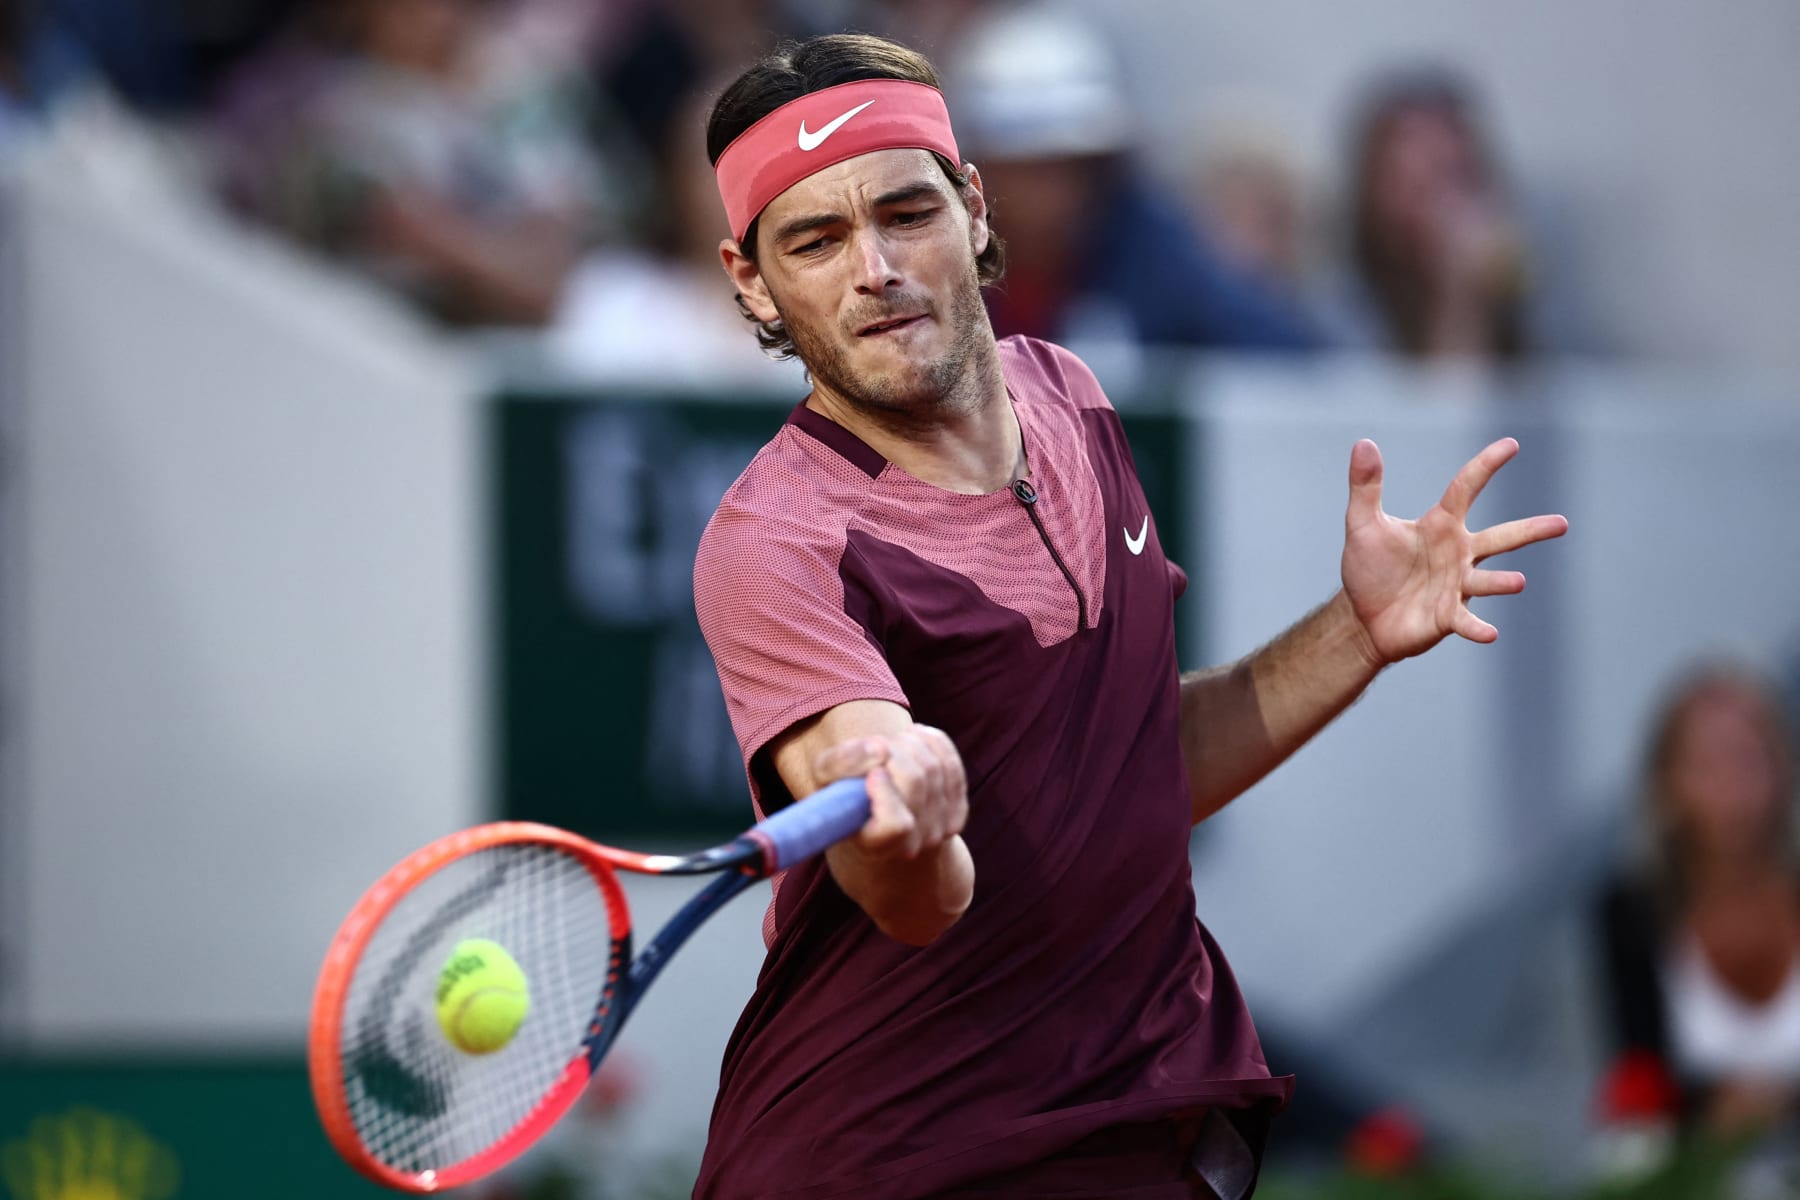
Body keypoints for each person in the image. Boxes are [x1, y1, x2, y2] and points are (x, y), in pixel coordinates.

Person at [690, 33, 1566, 1198]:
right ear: (752, 280)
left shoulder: (1073, 398)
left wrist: (1354, 632)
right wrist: (901, 813)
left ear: (974, 206)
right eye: (815, 240)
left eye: (906, 213)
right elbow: (909, 884)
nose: (874, 268)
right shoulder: (776, 541)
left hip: (1127, 1116)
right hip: (892, 1159)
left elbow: (1137, 773)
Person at [1597, 665, 1800, 1141]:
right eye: (1709, 764)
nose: (1733, 787)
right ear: (1667, 785)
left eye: (1748, 759)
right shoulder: (1631, 912)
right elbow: (1639, 1081)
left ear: (1782, 768)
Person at [1335, 69, 1533, 362]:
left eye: (1458, 180)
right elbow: (1444, 404)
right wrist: (1459, 296)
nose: (1448, 209)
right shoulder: (1343, 307)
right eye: (1420, 188)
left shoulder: (1516, 292)